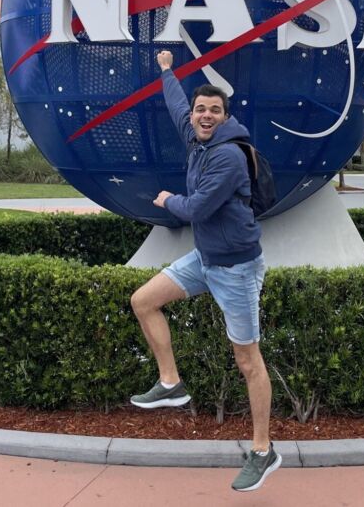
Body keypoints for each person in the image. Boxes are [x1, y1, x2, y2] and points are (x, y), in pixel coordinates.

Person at [129, 50, 281, 492]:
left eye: (214, 110)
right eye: (201, 109)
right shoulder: (197, 137)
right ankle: (171, 383)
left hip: (236, 269)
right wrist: (166, 70)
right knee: (144, 301)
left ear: (225, 117)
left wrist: (166, 200)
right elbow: (177, 105)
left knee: (248, 361)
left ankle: (263, 450)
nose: (205, 115)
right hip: (206, 258)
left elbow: (196, 208)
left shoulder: (227, 156)